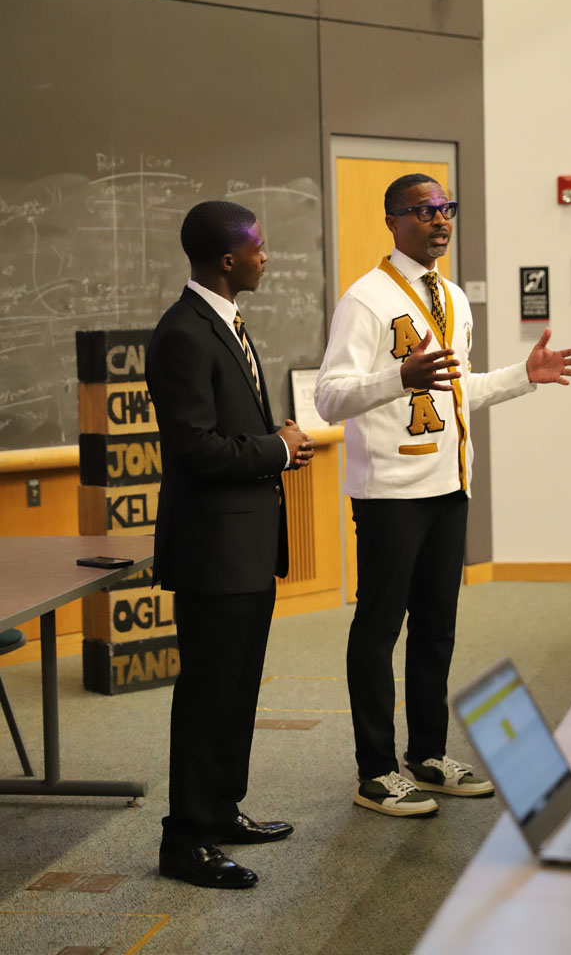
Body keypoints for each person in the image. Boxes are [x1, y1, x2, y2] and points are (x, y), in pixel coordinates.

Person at [314, 173, 571, 817]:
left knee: (436, 628)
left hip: (448, 487)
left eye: (447, 208)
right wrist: (397, 377)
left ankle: (428, 755)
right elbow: (328, 398)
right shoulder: (366, 299)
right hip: (390, 495)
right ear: (393, 221)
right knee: (379, 628)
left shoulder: (453, 298)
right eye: (425, 210)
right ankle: (375, 771)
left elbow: (459, 392)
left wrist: (523, 376)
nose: (441, 220)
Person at [146, 200, 316, 887]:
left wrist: (274, 442)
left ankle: (221, 810)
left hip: (245, 548)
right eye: (258, 247)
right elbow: (195, 448)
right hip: (213, 553)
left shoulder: (227, 323)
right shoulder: (182, 334)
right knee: (207, 697)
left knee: (238, 690)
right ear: (227, 259)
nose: (266, 256)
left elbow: (229, 430)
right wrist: (278, 449)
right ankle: (185, 840)